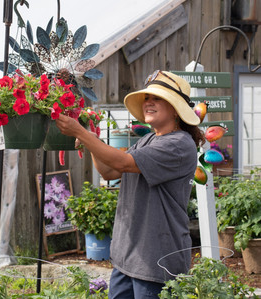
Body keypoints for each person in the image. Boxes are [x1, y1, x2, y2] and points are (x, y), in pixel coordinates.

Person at [55, 70, 205, 298]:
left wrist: (83, 133)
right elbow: (109, 171)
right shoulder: (148, 140)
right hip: (128, 255)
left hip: (156, 260)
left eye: (157, 98)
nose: (148, 103)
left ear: (175, 109)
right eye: (147, 98)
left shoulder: (179, 145)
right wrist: (91, 139)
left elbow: (123, 163)